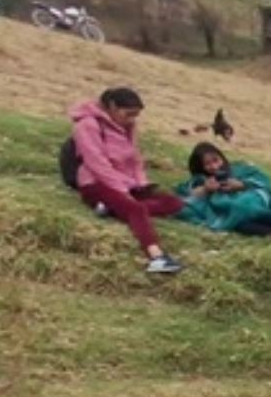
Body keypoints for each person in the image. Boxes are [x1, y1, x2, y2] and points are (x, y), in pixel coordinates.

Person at [68, 87, 186, 274]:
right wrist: (122, 191)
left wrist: (140, 183)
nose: (132, 119)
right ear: (113, 107)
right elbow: (96, 163)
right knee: (136, 208)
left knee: (173, 202)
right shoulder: (87, 125)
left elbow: (135, 159)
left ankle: (112, 208)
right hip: (96, 183)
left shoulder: (128, 127)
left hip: (127, 183)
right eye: (129, 114)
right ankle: (156, 257)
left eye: (136, 115)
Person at [175, 142, 271, 248]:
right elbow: (186, 197)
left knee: (246, 206)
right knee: (239, 222)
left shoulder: (239, 169)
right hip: (231, 212)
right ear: (200, 167)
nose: (214, 166)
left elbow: (261, 181)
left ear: (221, 157)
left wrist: (241, 185)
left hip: (250, 202)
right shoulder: (200, 180)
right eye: (207, 164)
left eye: (215, 160)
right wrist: (206, 189)